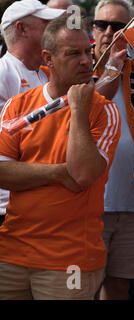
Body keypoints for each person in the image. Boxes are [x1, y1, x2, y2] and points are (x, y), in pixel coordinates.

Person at [0, 14, 120, 300]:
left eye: (88, 52)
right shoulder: (17, 106)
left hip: (70, 260)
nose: (86, 61)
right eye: (73, 53)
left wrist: (77, 109)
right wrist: (56, 172)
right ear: (48, 58)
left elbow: (81, 174)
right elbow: (1, 174)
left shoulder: (103, 111)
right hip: (11, 254)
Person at [90, 0, 134, 300]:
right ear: (92, 28)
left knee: (119, 287)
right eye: (101, 24)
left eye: (117, 26)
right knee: (81, 287)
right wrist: (111, 70)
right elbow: (90, 110)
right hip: (89, 204)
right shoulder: (78, 71)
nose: (108, 32)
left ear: (129, 32)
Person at [0, 0, 65, 226]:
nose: (54, 29)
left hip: (43, 203)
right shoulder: (2, 72)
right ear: (22, 29)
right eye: (46, 23)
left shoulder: (46, 75)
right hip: (6, 208)